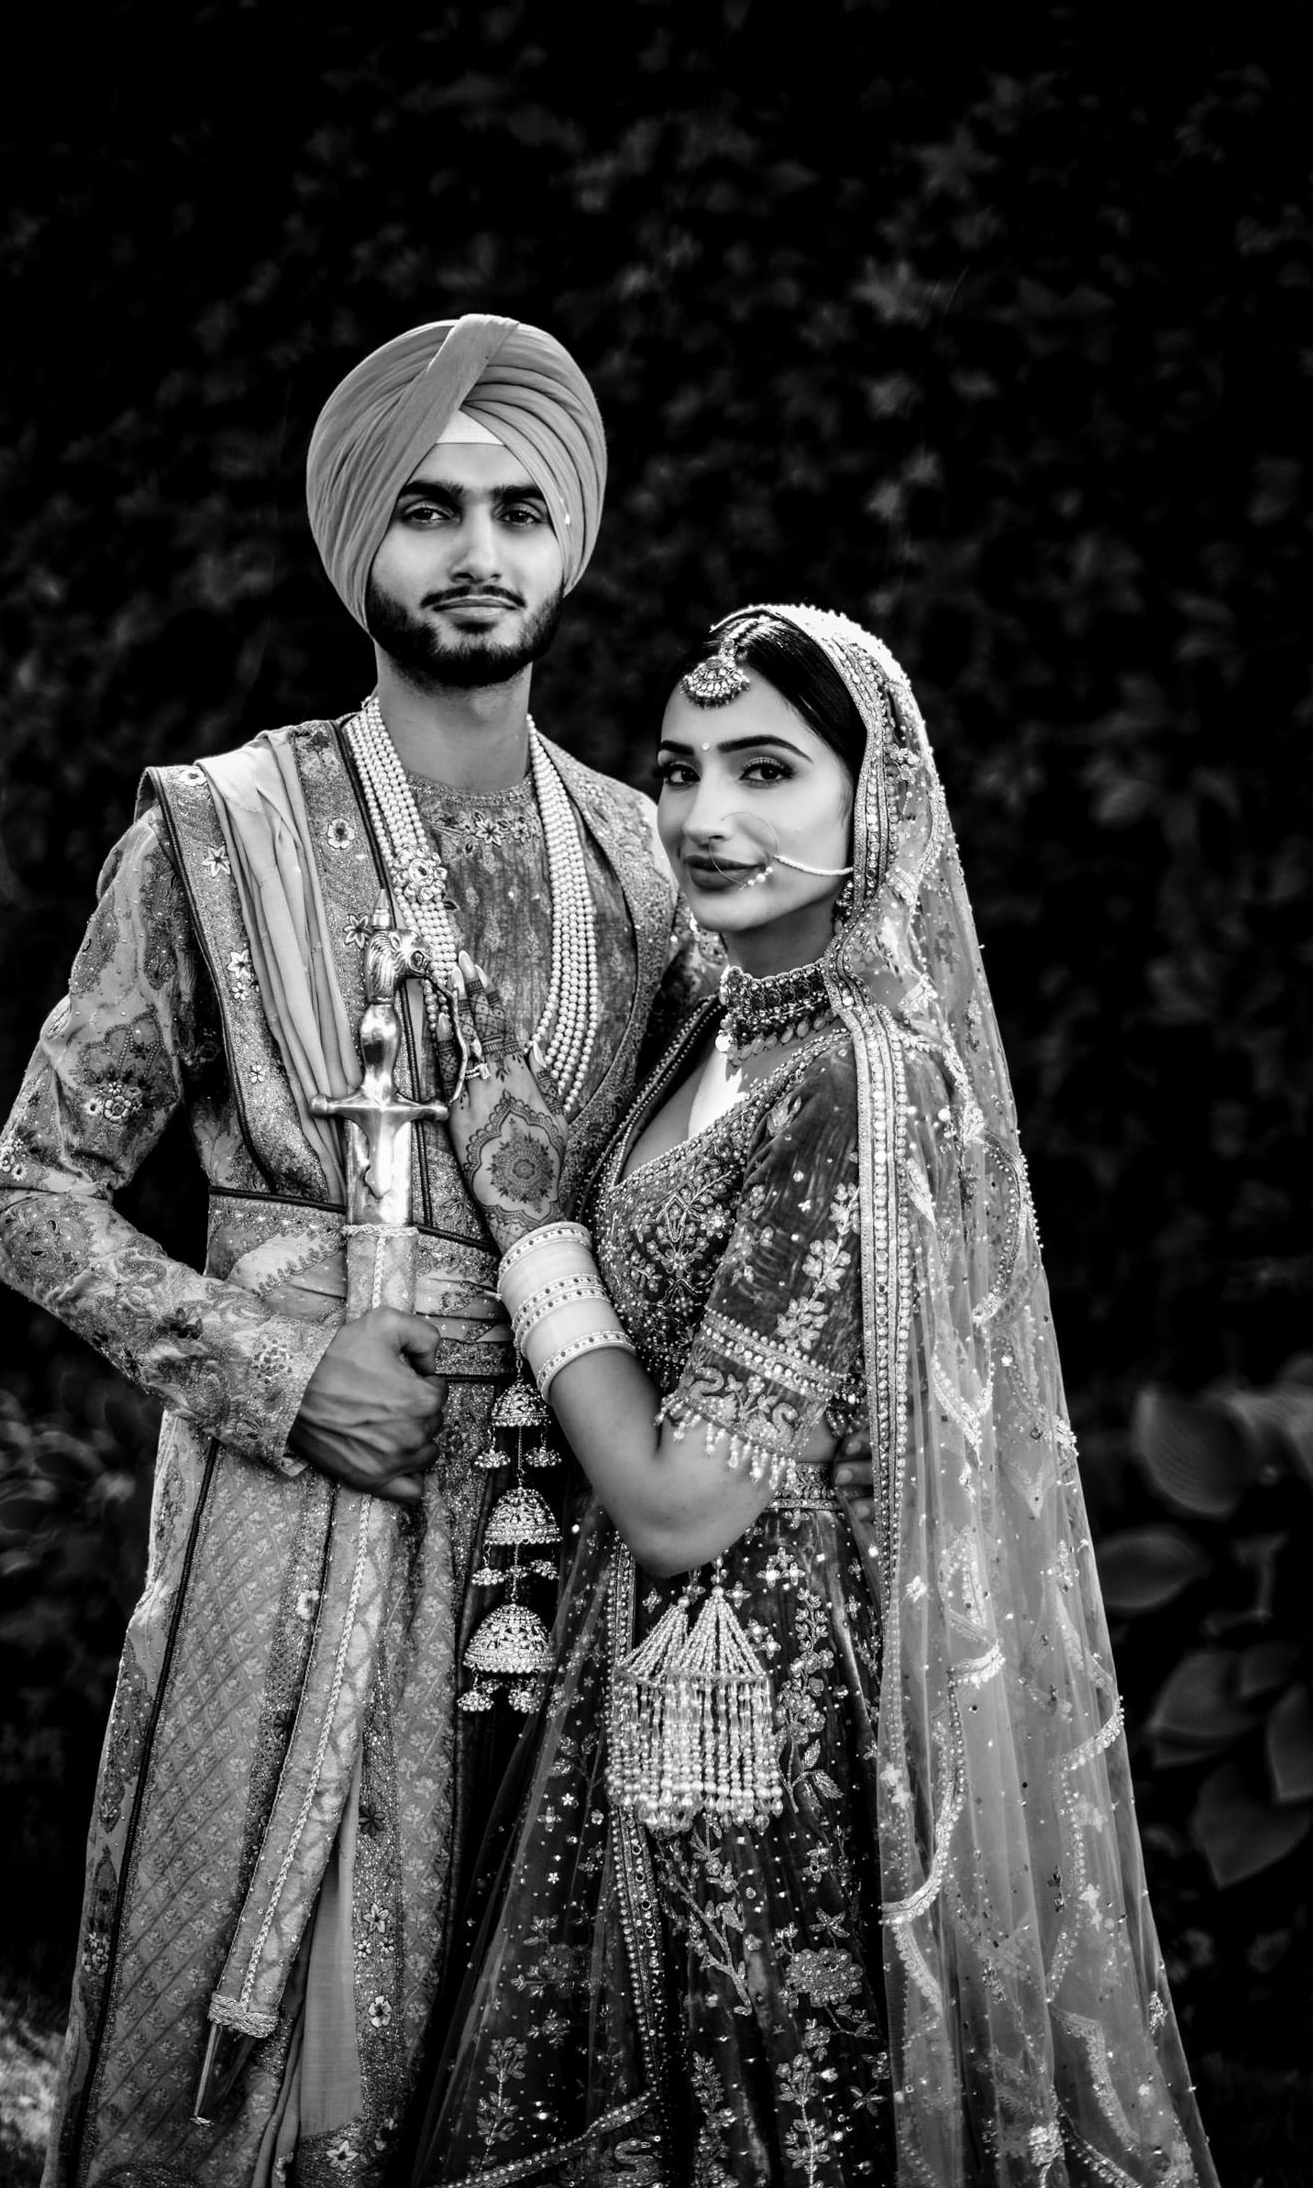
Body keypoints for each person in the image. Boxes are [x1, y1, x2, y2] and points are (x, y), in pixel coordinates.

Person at [0, 313, 714, 2188]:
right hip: (292, 1519)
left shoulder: (651, 863)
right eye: (429, 508)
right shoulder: (218, 832)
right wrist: (278, 1371)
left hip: (568, 1517)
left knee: (534, 2034)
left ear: (573, 546)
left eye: (519, 510)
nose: (477, 552)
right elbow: (31, 1193)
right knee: (261, 2046)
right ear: (358, 540)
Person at [419, 605, 1219, 2185]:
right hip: (649, 1684)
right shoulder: (722, 1029)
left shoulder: (859, 1074)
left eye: (768, 770)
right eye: (678, 770)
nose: (706, 819)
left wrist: (536, 1245)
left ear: (878, 808)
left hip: (767, 1710)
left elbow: (681, 1502)